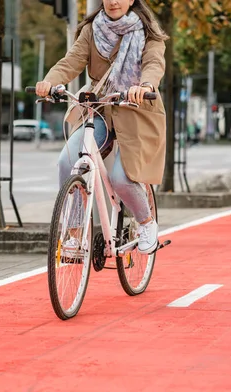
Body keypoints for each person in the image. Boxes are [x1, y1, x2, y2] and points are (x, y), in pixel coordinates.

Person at [36, 0, 168, 255]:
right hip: (100, 107)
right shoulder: (91, 29)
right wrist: (48, 81)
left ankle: (146, 223)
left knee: (121, 178)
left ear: (131, 0)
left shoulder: (148, 31)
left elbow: (154, 63)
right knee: (67, 161)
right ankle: (74, 235)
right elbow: (71, 61)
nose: (113, 1)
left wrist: (146, 86)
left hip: (137, 109)